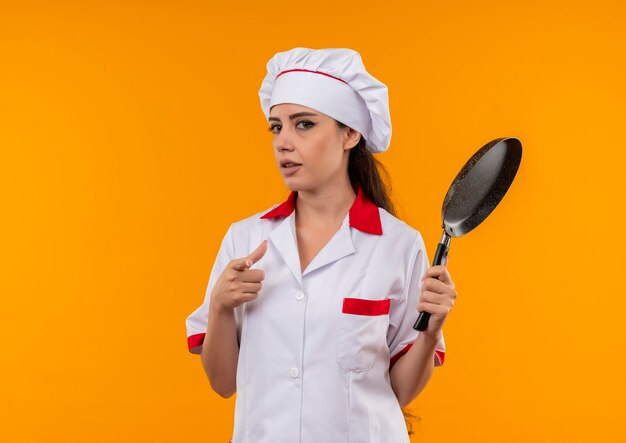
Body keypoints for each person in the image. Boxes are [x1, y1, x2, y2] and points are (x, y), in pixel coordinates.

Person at [185, 47, 457, 443]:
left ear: (350, 133)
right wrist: (220, 307)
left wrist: (430, 332)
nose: (283, 142)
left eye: (304, 124)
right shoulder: (244, 239)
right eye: (276, 127)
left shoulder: (399, 245)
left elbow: (398, 392)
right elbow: (223, 383)